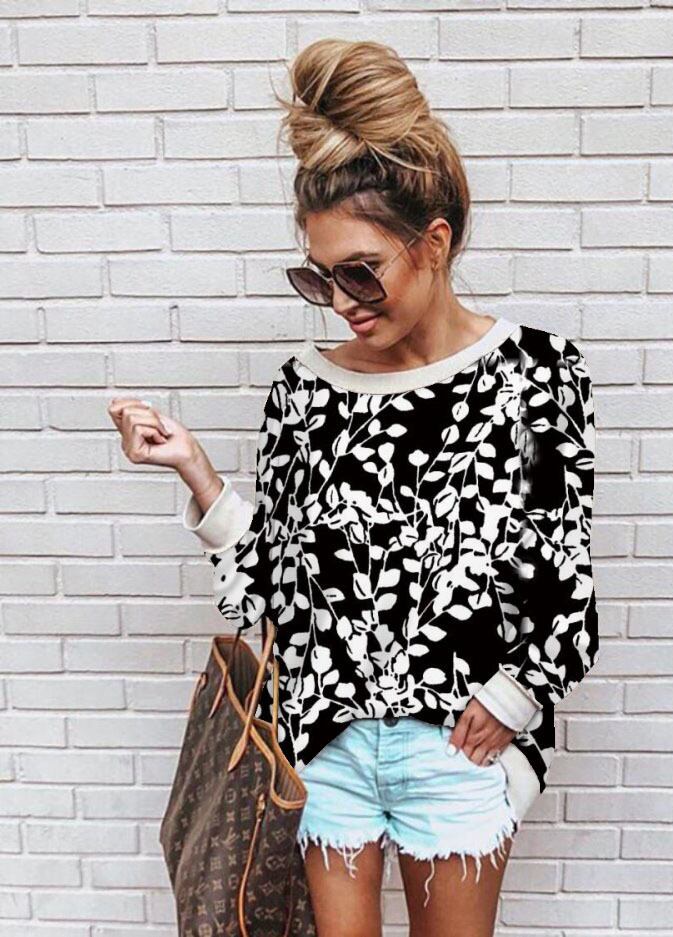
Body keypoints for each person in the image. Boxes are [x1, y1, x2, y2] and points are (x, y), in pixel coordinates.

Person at [108, 38, 600, 937]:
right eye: (320, 276)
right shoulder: (304, 389)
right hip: (327, 748)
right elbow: (273, 584)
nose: (342, 300)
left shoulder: (535, 376)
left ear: (434, 242)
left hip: (457, 751)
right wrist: (196, 472)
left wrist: (513, 696)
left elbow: (564, 585)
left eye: (361, 270)